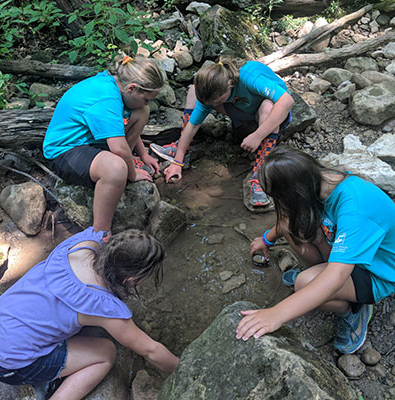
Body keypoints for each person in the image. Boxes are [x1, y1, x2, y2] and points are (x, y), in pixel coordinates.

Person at [236, 146, 395, 354]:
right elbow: (286, 220)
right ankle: (319, 283)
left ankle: (354, 310)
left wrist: (276, 314)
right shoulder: (320, 182)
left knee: (304, 284)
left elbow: (336, 275)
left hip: (379, 272)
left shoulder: (354, 207)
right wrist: (266, 239)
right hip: (354, 254)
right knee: (288, 224)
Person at [0, 227, 179, 400]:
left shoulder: (82, 244)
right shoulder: (103, 307)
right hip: (8, 364)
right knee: (106, 353)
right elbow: (150, 350)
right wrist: (184, 369)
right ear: (131, 279)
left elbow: (100, 230)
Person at [43, 54, 164, 233]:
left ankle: (124, 166)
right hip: (64, 151)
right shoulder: (106, 99)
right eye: (147, 98)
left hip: (90, 141)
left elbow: (117, 129)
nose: (148, 102)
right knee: (116, 169)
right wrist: (131, 174)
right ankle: (100, 233)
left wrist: (143, 154)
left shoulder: (114, 84)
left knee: (141, 111)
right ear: (132, 88)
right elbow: (118, 147)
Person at [150, 57, 294, 207]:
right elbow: (192, 125)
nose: (213, 105)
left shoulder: (249, 76)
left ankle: (259, 177)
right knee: (193, 91)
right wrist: (177, 162)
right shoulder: (213, 91)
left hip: (271, 117)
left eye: (216, 101)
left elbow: (287, 101)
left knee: (268, 106)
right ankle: (182, 146)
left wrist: (258, 136)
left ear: (229, 85)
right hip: (242, 112)